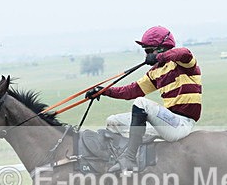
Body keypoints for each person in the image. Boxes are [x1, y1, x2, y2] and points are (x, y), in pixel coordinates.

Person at [86, 26, 202, 174]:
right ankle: (123, 162)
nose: (147, 55)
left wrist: (159, 57)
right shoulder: (155, 72)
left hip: (181, 124)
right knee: (113, 121)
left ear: (162, 48)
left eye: (149, 51)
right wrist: (104, 91)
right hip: (166, 124)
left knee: (142, 103)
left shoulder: (184, 64)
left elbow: (184, 52)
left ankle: (129, 158)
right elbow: (130, 91)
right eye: (146, 51)